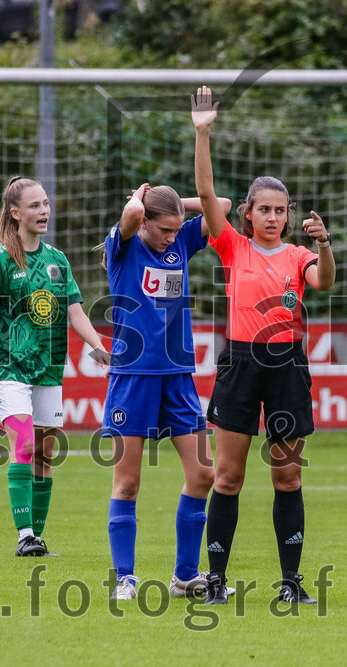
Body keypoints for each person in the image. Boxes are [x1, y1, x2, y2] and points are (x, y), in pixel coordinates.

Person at [191, 86, 336, 605]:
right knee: (227, 476)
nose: (273, 217)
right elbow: (207, 196)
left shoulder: (299, 254)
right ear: (248, 214)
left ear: (289, 214)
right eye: (264, 209)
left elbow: (324, 283)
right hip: (240, 363)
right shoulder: (232, 245)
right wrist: (203, 133)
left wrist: (323, 244)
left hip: (287, 366)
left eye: (281, 209)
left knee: (288, 475)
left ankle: (292, 583)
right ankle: (215, 580)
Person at [101, 181, 239, 601]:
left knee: (203, 475)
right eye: (165, 229)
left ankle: (184, 576)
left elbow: (225, 205)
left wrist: (176, 203)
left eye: (178, 229)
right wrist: (138, 201)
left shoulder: (179, 244)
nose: (173, 237)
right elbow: (127, 217)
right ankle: (125, 577)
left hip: (178, 376)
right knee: (127, 484)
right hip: (133, 378)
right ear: (145, 222)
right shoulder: (123, 247)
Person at [0, 176, 110, 557]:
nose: (44, 210)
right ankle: (24, 535)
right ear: (15, 213)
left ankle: (37, 538)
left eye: (46, 203)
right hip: (8, 367)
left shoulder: (57, 260)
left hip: (48, 369)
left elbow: (74, 310)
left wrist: (97, 346)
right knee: (24, 444)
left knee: (45, 453)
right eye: (35, 205)